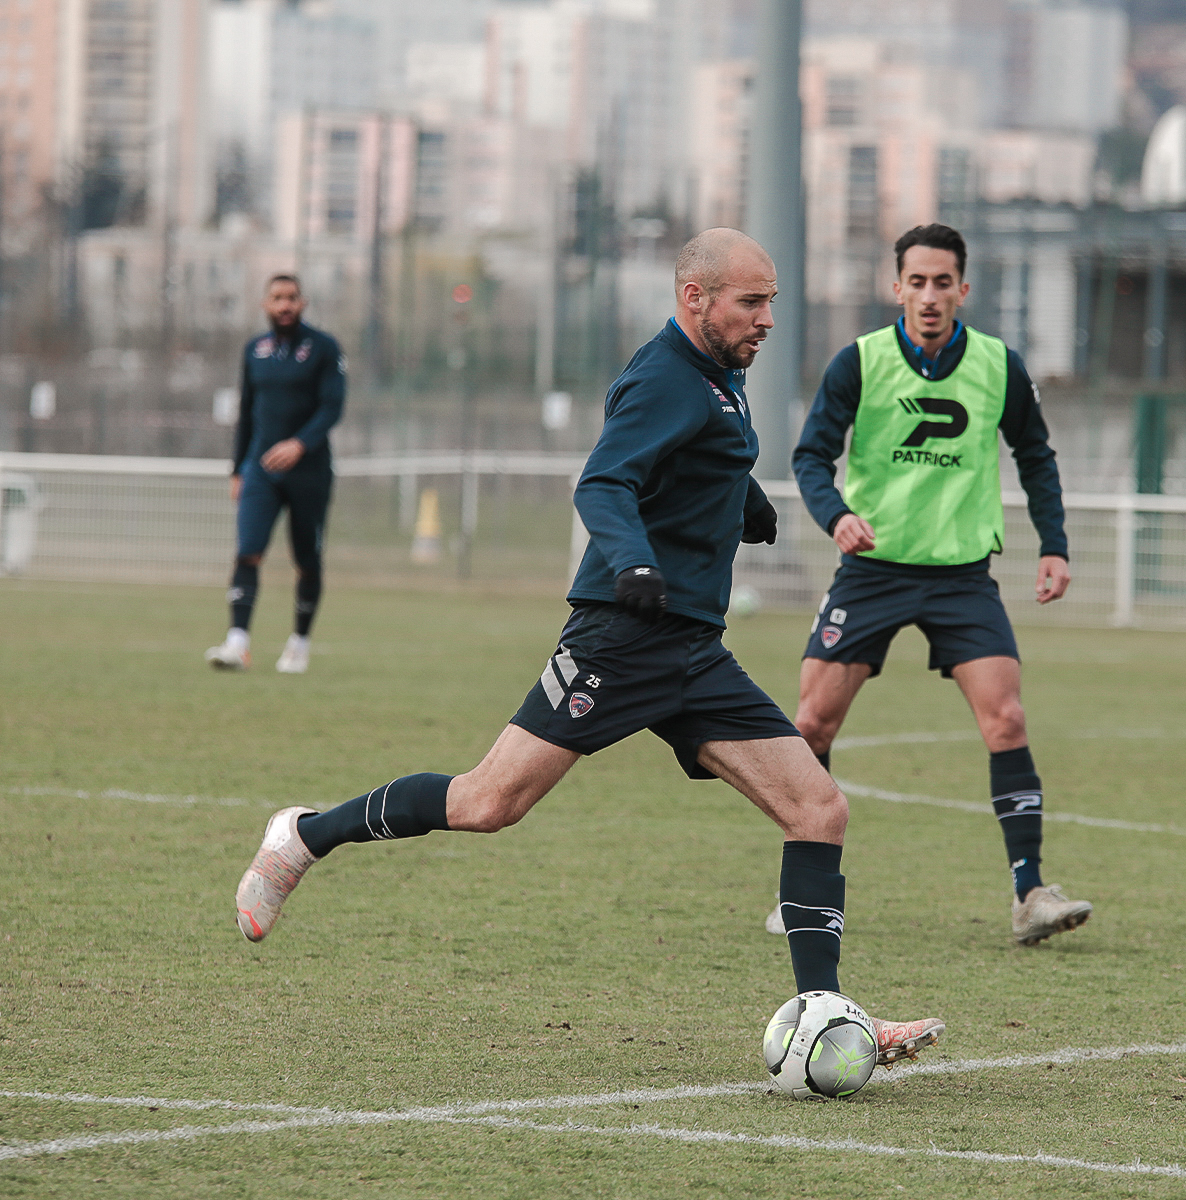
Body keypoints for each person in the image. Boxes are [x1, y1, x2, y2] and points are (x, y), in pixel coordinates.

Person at [233, 229, 945, 1066]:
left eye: (771, 302)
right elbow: (605, 481)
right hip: (623, 634)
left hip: (692, 651)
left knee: (819, 808)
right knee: (488, 803)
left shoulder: (719, 377)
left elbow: (689, 452)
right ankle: (305, 835)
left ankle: (825, 1012)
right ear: (696, 298)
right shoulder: (663, 377)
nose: (766, 319)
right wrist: (636, 560)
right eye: (751, 302)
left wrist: (738, 497)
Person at [787, 222, 1089, 947]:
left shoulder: (997, 365)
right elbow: (809, 456)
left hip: (961, 577)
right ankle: (800, 891)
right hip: (872, 571)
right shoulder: (858, 362)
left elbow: (1036, 457)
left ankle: (1030, 895)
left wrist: (1054, 546)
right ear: (896, 287)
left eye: (942, 282)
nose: (929, 295)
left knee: (1007, 720)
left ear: (963, 288)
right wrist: (837, 517)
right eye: (916, 282)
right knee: (810, 725)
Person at [205, 275, 346, 674]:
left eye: (291, 298)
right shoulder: (255, 350)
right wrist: (237, 470)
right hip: (260, 472)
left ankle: (299, 643)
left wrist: (300, 444)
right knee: (248, 550)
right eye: (277, 298)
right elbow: (247, 413)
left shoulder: (323, 348)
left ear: (303, 302)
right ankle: (237, 643)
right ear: (265, 304)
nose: (284, 305)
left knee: (306, 559)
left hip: (309, 472)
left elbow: (332, 407)